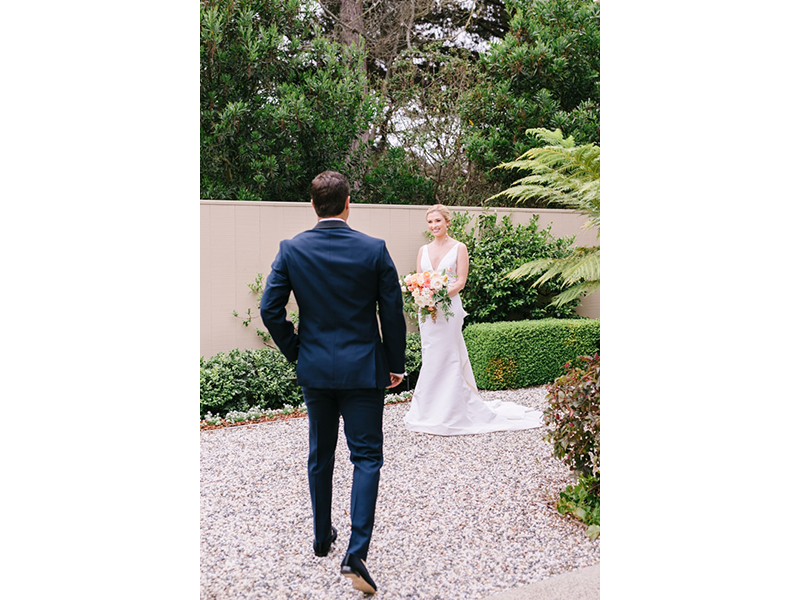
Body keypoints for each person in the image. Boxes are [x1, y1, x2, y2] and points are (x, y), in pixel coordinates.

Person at [260, 171, 406, 595]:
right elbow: (391, 312)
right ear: (348, 203)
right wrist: (394, 364)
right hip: (363, 370)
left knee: (320, 454)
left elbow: (271, 311)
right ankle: (355, 552)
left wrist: (298, 350)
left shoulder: (292, 249)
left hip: (317, 370)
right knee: (366, 458)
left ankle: (322, 538)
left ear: (312, 205)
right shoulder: (373, 249)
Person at [403, 204, 544, 435]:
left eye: (438, 221)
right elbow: (420, 279)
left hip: (449, 308)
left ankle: (451, 410)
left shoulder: (459, 247)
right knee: (431, 355)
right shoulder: (423, 250)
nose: (434, 226)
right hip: (427, 311)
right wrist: (423, 295)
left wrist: (439, 295)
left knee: (448, 356)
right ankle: (426, 410)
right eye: (430, 222)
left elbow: (460, 281)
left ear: (447, 222)